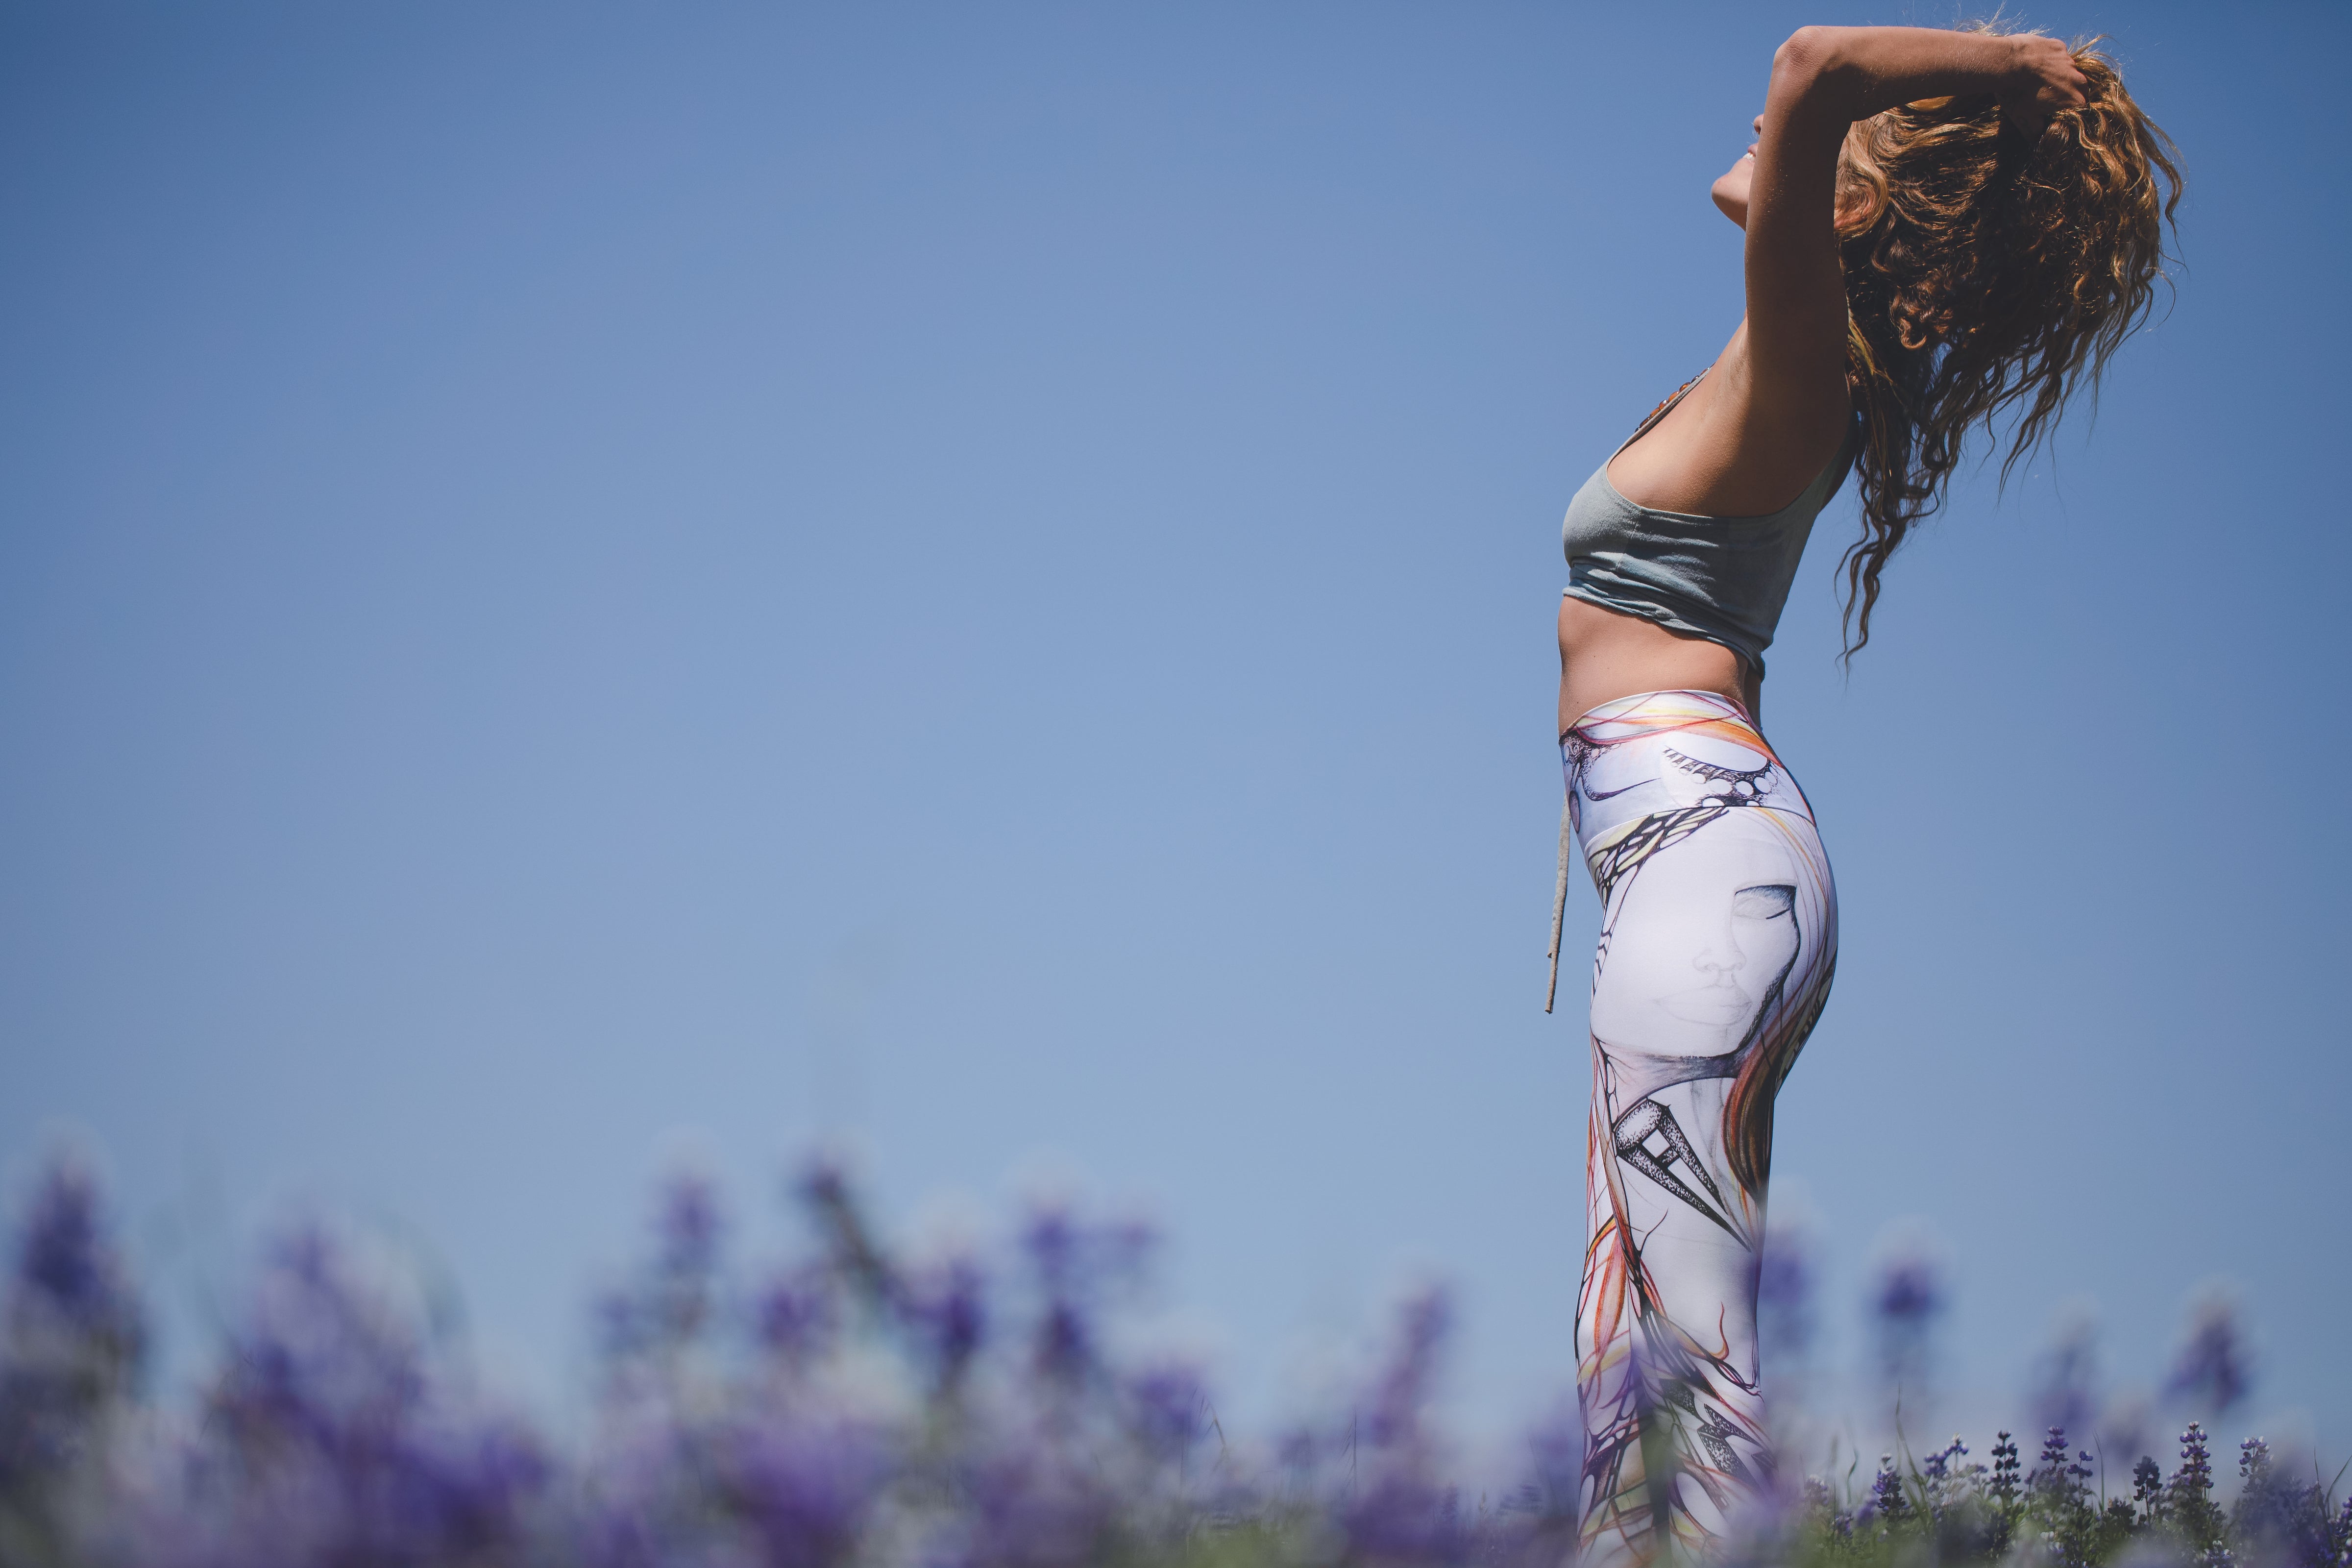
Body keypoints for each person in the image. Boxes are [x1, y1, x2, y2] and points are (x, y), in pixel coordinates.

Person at [1545, 24, 2180, 1566]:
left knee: (1686, 1370)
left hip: (1702, 859)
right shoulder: (1780, 361)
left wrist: (2012, 72)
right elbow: (1794, 117)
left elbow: (1813, 64)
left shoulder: (1801, 350)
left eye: (1825, 157)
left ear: (1848, 202)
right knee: (1632, 1349)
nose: (1757, 139)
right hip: (1695, 863)